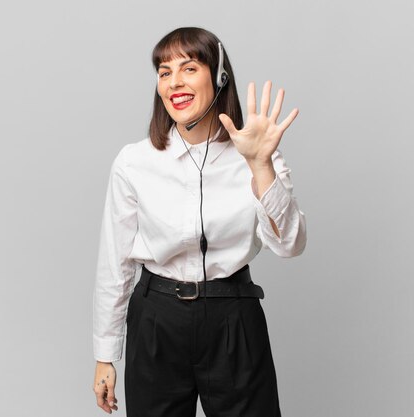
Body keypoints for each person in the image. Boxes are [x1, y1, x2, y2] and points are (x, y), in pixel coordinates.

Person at [92, 27, 306, 417]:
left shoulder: (260, 157)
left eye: (189, 68)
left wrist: (260, 166)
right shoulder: (134, 162)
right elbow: (116, 262)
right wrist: (106, 354)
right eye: (163, 71)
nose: (174, 82)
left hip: (233, 318)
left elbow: (290, 245)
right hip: (156, 318)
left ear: (219, 77)